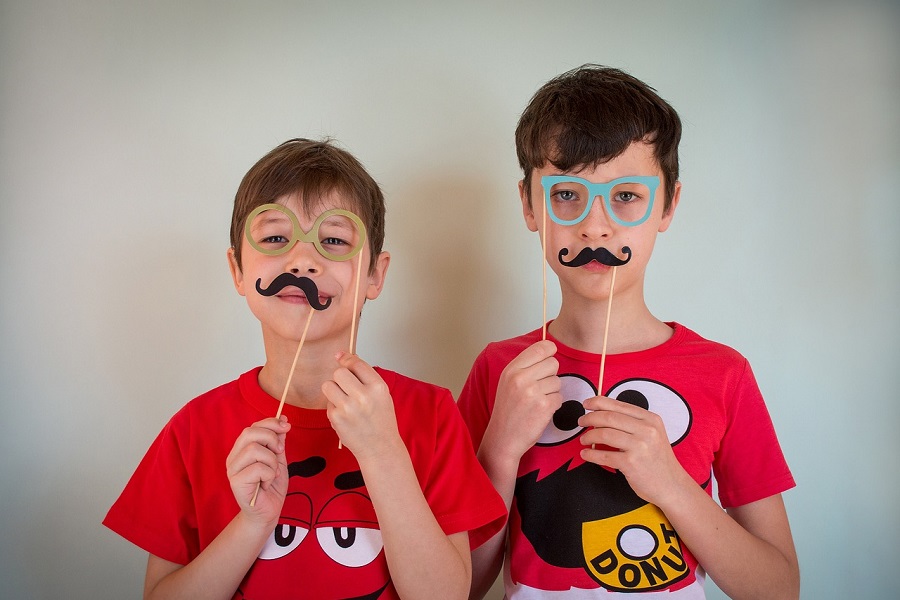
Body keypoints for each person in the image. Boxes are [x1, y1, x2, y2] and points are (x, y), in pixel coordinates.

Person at [104, 138, 506, 600]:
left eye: (333, 240)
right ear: (237, 269)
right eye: (275, 238)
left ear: (375, 274)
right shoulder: (193, 430)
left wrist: (383, 455)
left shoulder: (431, 414)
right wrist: (252, 523)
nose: (303, 260)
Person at [457, 66, 799, 599]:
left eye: (626, 196)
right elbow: (461, 587)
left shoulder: (723, 374)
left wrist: (668, 483)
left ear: (668, 206)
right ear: (528, 205)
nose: (595, 226)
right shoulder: (499, 370)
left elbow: (779, 589)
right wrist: (498, 451)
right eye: (566, 195)